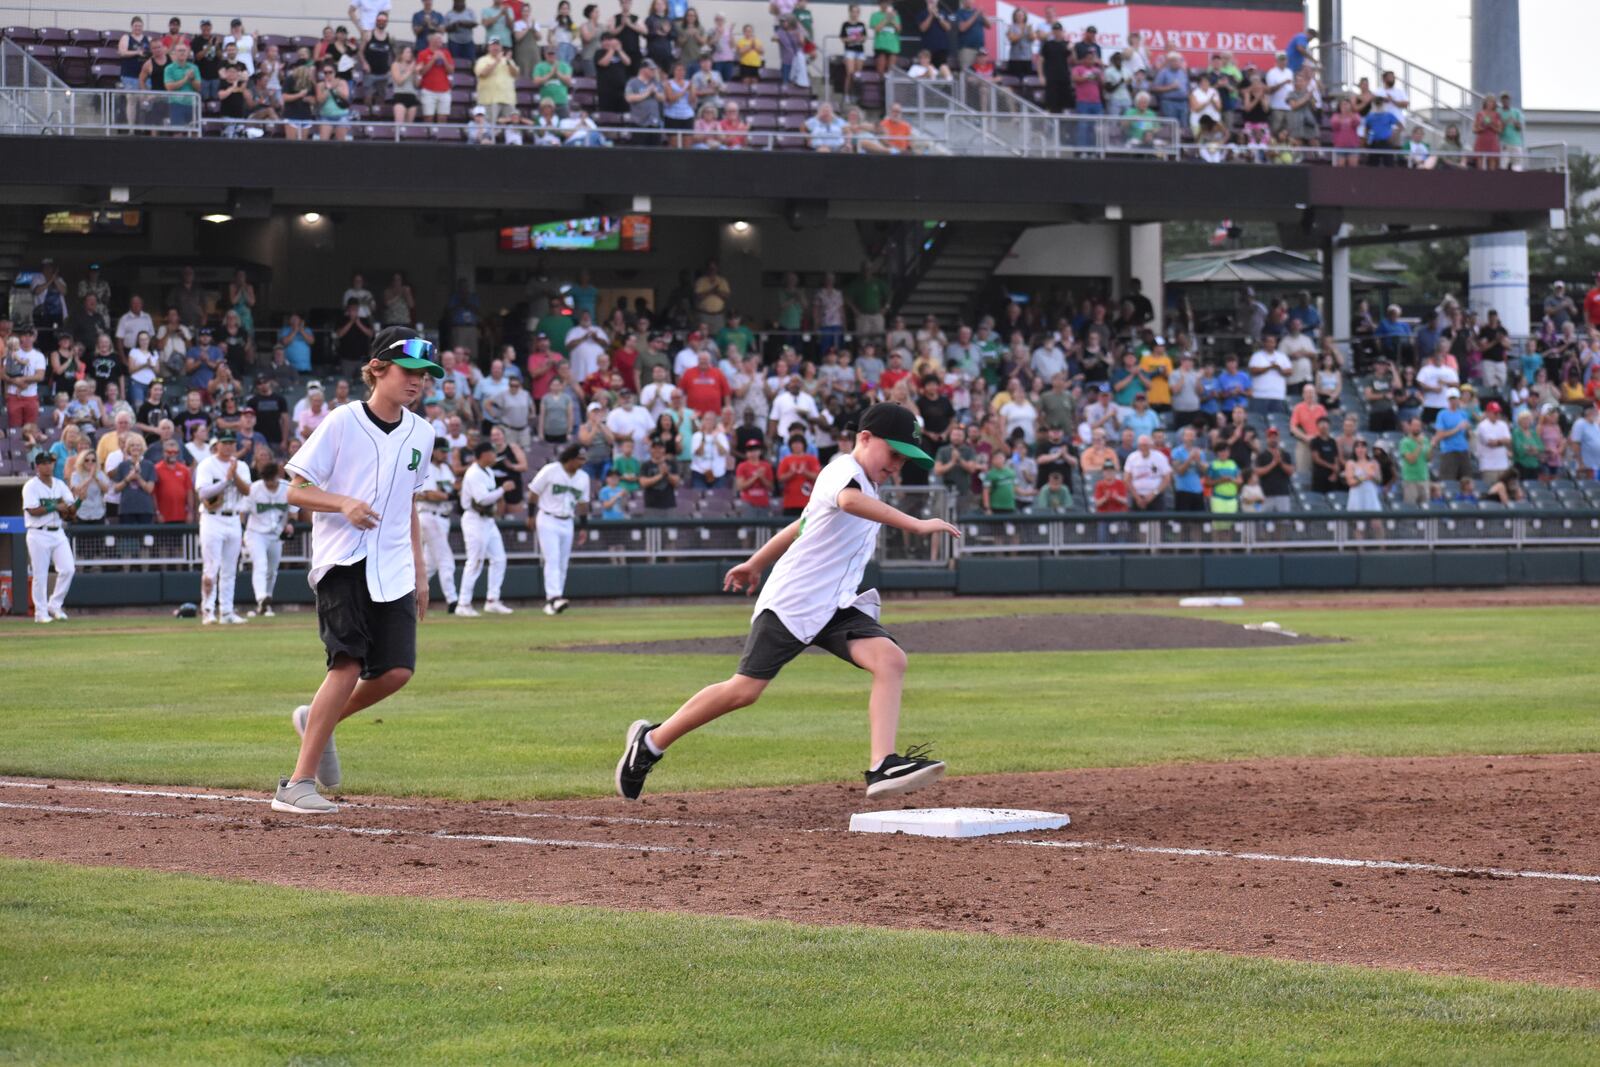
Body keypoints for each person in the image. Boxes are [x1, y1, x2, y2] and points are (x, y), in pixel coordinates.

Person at [615, 403, 959, 802]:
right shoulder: (842, 471)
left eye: (904, 457)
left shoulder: (867, 485)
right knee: (744, 691)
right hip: (793, 602)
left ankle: (882, 764)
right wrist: (916, 524)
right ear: (864, 438)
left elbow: (802, 524)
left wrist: (755, 562)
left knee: (891, 659)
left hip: (836, 605)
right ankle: (651, 742)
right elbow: (848, 503)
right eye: (894, 453)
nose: (898, 463)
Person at [272, 326, 443, 815]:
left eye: (424, 376)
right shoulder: (343, 421)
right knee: (346, 663)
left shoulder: (422, 432)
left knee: (395, 672)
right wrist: (341, 502)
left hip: (393, 565)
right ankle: (297, 784)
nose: (417, 382)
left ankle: (315, 720)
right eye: (408, 371)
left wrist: (420, 569)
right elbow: (295, 490)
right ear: (377, 369)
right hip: (343, 561)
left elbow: (408, 504)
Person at [195, 430, 252, 625]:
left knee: (229, 569)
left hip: (233, 517)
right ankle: (208, 610)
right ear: (217, 444)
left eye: (231, 443)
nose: (228, 446)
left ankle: (226, 611)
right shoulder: (207, 464)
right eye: (224, 442)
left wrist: (234, 475)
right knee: (211, 567)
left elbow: (247, 491)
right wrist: (226, 480)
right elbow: (203, 493)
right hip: (212, 518)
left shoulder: (241, 466)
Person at [527, 442, 591, 616]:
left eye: (584, 459)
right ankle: (553, 597)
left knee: (562, 562)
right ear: (570, 458)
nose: (582, 462)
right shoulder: (551, 470)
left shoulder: (583, 477)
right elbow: (533, 492)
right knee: (553, 559)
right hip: (548, 518)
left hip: (567, 521)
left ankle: (555, 600)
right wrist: (530, 515)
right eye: (580, 459)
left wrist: (584, 527)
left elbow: (583, 504)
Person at [456, 440, 516, 616]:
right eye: (491, 452)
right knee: (475, 561)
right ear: (483, 455)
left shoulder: (488, 471)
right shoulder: (474, 473)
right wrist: (502, 490)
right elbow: (482, 499)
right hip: (474, 519)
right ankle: (463, 603)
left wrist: (499, 494)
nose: (494, 456)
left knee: (499, 558)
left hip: (488, 520)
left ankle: (492, 600)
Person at [23, 450, 81, 623]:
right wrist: (55, 506)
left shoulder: (59, 484)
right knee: (40, 574)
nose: (49, 465)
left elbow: (70, 510)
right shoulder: (31, 486)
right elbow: (32, 510)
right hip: (38, 532)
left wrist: (79, 500)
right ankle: (40, 613)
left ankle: (54, 605)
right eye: (46, 463)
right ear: (38, 465)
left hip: (58, 531)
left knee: (68, 569)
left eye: (51, 462)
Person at [416, 438, 461, 611]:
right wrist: (449, 496)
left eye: (446, 451)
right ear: (433, 451)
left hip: (442, 517)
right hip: (429, 516)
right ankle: (453, 602)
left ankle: (407, 596)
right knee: (446, 560)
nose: (445, 454)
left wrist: (451, 493)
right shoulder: (427, 467)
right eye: (442, 451)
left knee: (430, 565)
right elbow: (429, 494)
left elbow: (452, 490)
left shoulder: (445, 469)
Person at [245, 461, 292, 618]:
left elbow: (303, 489)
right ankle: (261, 597)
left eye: (272, 479)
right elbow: (242, 511)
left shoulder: (288, 486)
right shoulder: (254, 488)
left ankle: (266, 604)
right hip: (255, 533)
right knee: (261, 565)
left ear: (277, 476)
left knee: (272, 571)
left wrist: (290, 524)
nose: (269, 483)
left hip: (276, 534)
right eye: (266, 480)